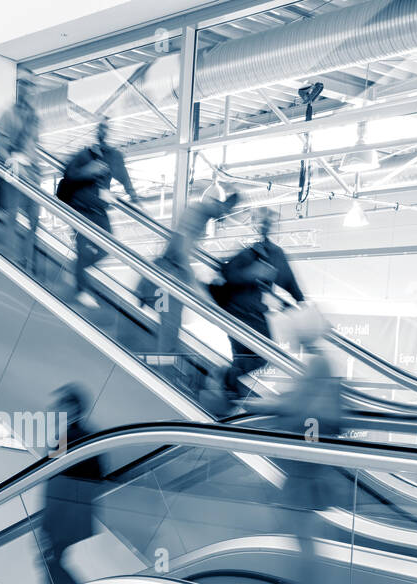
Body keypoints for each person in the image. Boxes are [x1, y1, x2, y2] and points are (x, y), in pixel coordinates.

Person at [245, 310, 346, 584]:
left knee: (301, 530)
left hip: (306, 461)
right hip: (308, 459)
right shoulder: (322, 361)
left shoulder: (319, 362)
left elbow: (297, 402)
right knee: (298, 527)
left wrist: (259, 404)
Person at [210, 206, 304, 402]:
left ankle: (229, 386)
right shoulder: (247, 253)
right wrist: (251, 273)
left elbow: (288, 279)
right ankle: (229, 385)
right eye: (262, 222)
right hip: (238, 311)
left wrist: (300, 300)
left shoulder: (275, 253)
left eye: (269, 223)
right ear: (256, 226)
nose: (265, 226)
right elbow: (227, 274)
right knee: (258, 354)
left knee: (256, 356)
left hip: (253, 313)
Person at [137, 190, 239, 357]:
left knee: (171, 322)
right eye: (225, 210)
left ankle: (144, 293)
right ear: (218, 203)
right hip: (170, 273)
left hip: (170, 271)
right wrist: (194, 284)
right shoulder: (198, 212)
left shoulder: (201, 214)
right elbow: (180, 250)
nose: (223, 216)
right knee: (171, 323)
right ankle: (163, 366)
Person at [58, 118, 140, 308]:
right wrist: (90, 170)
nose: (104, 133)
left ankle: (76, 268)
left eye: (107, 129)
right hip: (80, 210)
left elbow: (124, 176)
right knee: (82, 247)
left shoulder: (114, 156)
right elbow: (69, 174)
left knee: (107, 247)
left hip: (99, 210)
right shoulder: (84, 155)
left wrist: (133, 196)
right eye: (101, 129)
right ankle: (81, 290)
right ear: (97, 133)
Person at [39, 385, 103, 584]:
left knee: (57, 581)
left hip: (62, 528)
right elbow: (98, 480)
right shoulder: (92, 437)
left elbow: (54, 487)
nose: (56, 411)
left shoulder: (64, 441)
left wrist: (46, 527)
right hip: (82, 524)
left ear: (72, 408)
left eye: (61, 406)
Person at [0, 75, 42, 272]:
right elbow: (1, 148)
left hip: (33, 174)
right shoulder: (8, 115)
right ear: (18, 87)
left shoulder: (35, 118)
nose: (28, 88)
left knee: (34, 220)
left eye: (32, 84)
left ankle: (28, 263)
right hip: (15, 173)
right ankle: (10, 262)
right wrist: (12, 161)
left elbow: (35, 145)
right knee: (12, 217)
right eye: (24, 83)